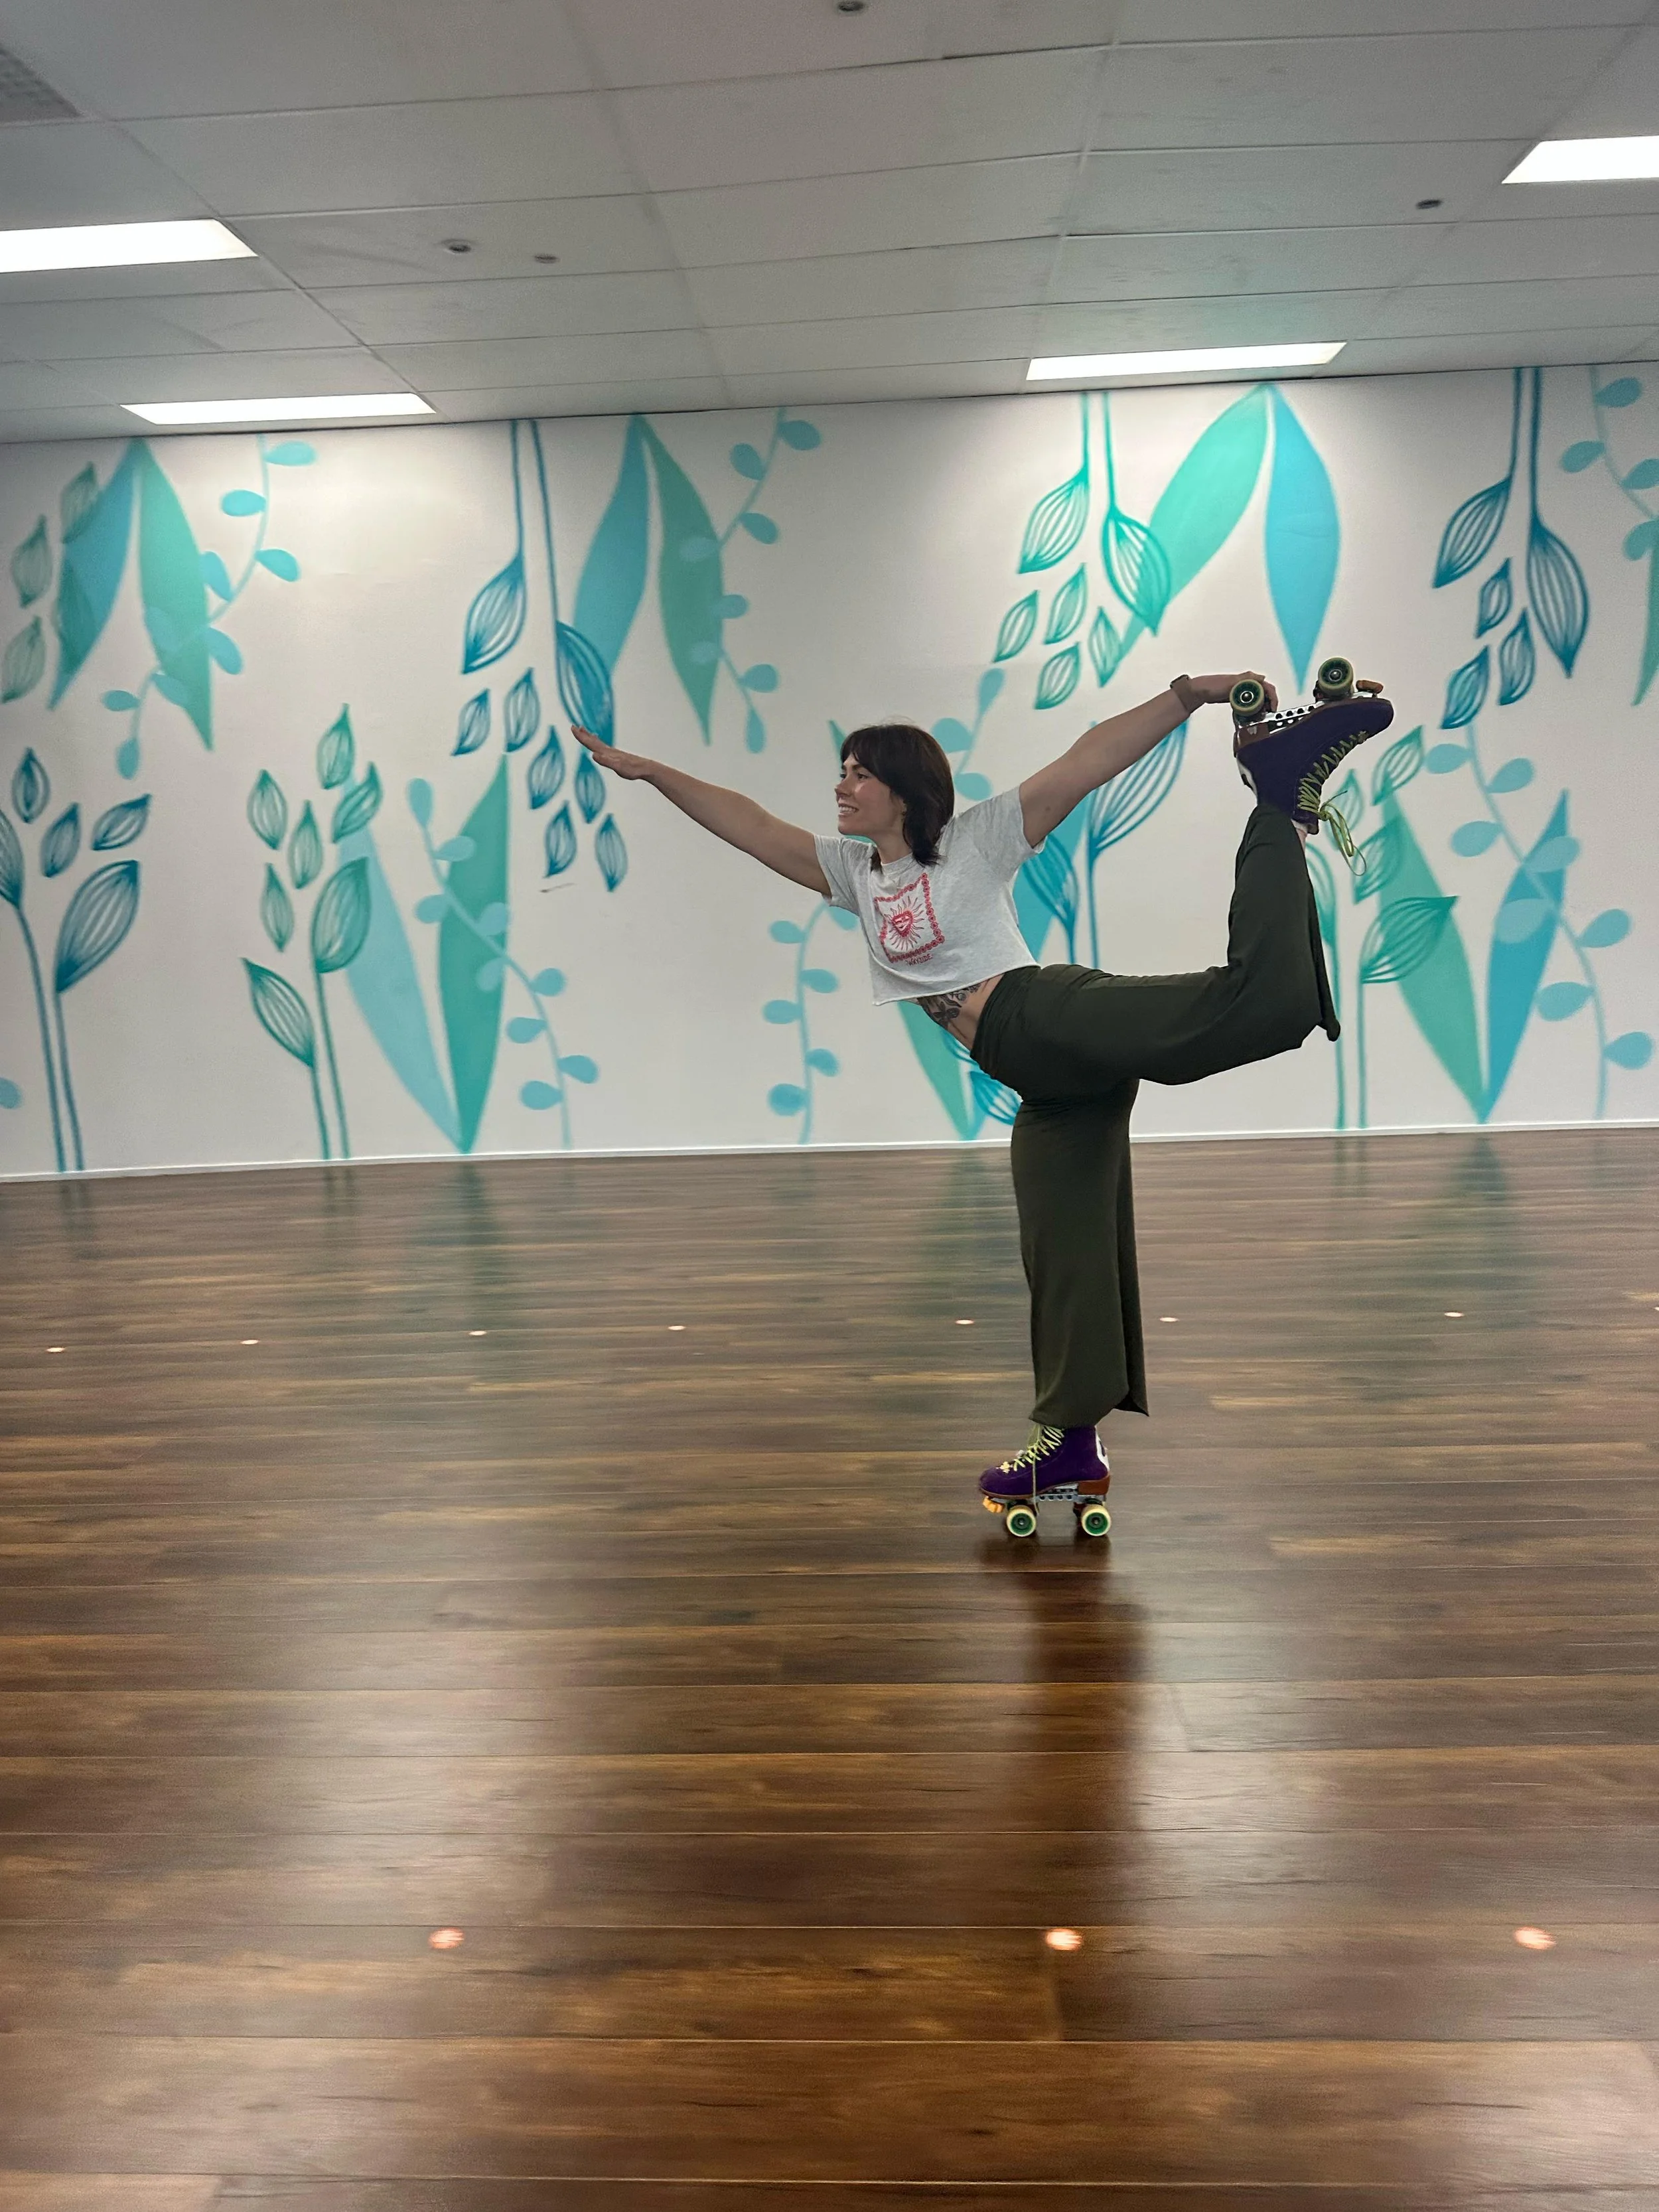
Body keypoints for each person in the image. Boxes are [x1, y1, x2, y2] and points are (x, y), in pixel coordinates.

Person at [572, 668, 1392, 1521]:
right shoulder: (855, 875)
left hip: (1046, 1016)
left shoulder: (979, 839)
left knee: (1246, 1006)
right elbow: (747, 823)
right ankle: (1070, 1444)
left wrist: (1187, 696)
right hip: (1039, 1080)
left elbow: (1088, 760)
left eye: (859, 773)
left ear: (906, 791)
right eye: (842, 772)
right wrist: (656, 773)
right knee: (1062, 1251)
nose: (841, 788)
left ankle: (1280, 805)